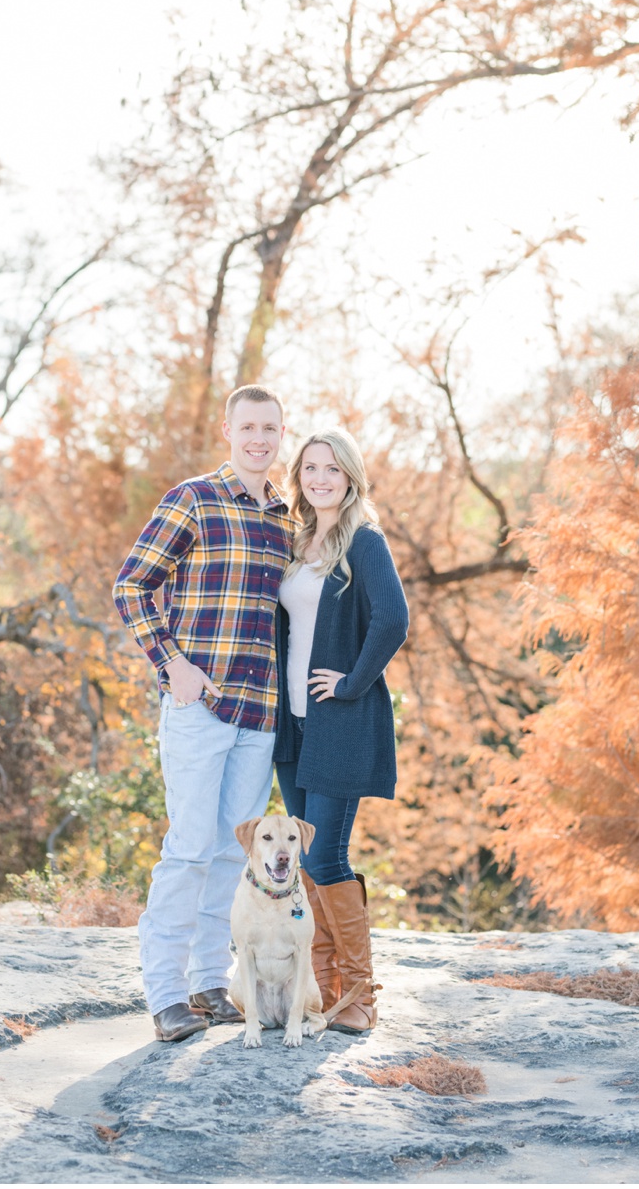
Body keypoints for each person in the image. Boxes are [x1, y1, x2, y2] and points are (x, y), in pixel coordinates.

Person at [112, 385, 294, 1042]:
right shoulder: (194, 498)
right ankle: (165, 995)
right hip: (200, 707)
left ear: (281, 434)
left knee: (229, 854)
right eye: (247, 426)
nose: (258, 438)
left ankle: (209, 984)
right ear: (227, 429)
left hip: (260, 715)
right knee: (188, 850)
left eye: (269, 428)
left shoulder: (286, 517)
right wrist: (171, 664)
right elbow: (131, 583)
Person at [274, 427, 409, 1034]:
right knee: (305, 854)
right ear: (299, 478)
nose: (320, 478)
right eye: (309, 469)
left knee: (325, 850)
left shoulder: (364, 542)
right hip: (294, 723)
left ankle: (358, 995)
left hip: (340, 721)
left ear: (350, 476)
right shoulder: (300, 541)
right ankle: (325, 989)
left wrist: (352, 682)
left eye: (331, 468)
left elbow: (393, 620)